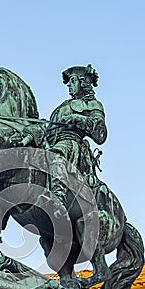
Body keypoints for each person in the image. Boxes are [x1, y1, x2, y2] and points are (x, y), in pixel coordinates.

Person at [45, 64, 108, 216]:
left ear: (83, 82)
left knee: (57, 154)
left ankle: (58, 198)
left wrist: (78, 118)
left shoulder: (92, 104)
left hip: (71, 144)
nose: (69, 86)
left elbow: (101, 134)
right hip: (51, 141)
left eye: (73, 81)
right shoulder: (63, 106)